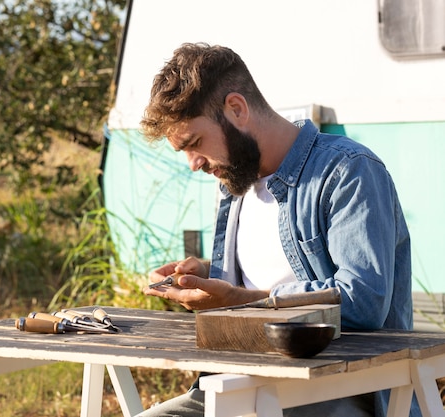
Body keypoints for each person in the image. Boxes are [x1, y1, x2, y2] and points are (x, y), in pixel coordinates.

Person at [137, 43, 416, 417]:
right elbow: (267, 271)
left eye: (195, 143)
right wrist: (203, 276)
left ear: (236, 109)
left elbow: (363, 301)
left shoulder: (347, 171)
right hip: (235, 386)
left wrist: (238, 299)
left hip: (333, 390)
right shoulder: (233, 185)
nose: (193, 164)